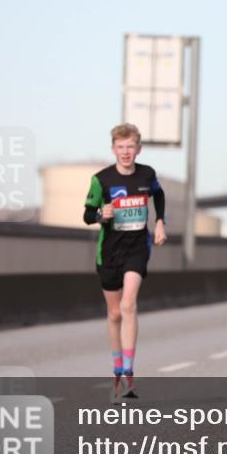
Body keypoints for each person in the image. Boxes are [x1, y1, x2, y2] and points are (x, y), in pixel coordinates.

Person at [82, 123, 167, 403]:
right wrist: (100, 215)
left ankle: (129, 371)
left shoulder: (147, 174)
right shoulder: (101, 179)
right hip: (109, 253)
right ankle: (117, 367)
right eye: (121, 147)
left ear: (138, 149)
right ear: (113, 149)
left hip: (137, 249)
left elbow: (158, 194)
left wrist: (160, 222)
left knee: (129, 305)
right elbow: (87, 215)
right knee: (115, 313)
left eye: (130, 146)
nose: (126, 152)